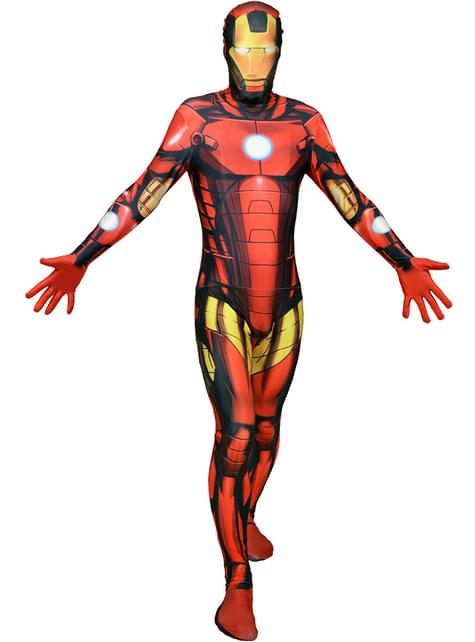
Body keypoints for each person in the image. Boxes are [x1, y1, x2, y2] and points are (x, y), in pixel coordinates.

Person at [25, 2, 452, 639]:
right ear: (225, 48)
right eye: (246, 49)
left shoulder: (305, 123)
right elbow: (143, 193)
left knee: (269, 426)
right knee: (237, 434)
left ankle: (245, 515)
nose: (256, 61)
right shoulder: (197, 119)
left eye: (266, 49)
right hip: (222, 301)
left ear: (280, 50)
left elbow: (349, 196)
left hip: (286, 304)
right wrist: (83, 256)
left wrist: (402, 259)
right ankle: (236, 583)